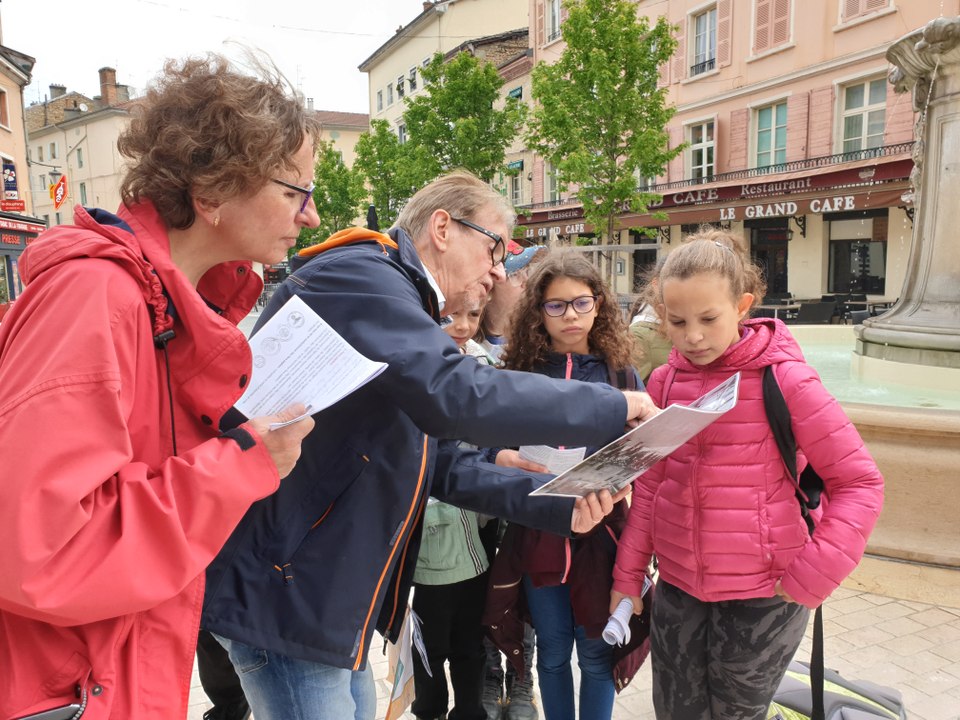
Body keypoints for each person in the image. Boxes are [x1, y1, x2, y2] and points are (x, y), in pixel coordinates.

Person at [201, 170, 659, 720]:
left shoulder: (398, 300)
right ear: (442, 227)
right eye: (493, 247)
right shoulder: (362, 277)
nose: (497, 270)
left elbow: (437, 462)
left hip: (322, 600)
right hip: (285, 598)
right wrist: (615, 405)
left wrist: (558, 501)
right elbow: (459, 395)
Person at [0, 54, 318, 720]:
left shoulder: (161, 307)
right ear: (210, 194)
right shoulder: (97, 298)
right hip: (68, 693)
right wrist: (239, 467)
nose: (311, 217)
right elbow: (36, 551)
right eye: (296, 191)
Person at [611, 230, 884, 719]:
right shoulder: (664, 381)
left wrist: (812, 577)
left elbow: (860, 483)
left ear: (742, 306)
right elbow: (650, 488)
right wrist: (628, 576)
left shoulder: (787, 379)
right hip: (678, 590)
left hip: (765, 594)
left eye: (709, 319)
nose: (692, 335)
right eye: (677, 321)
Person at [485, 251, 650, 720]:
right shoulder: (520, 372)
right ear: (538, 311)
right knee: (554, 652)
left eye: (580, 302)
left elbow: (642, 450)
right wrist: (503, 456)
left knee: (596, 654)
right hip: (539, 529)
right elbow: (488, 445)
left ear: (598, 304)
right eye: (555, 306)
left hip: (603, 533)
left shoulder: (621, 374)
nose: (570, 315)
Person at [411, 303, 495, 720]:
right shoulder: (406, 371)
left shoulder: (482, 363)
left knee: (470, 645)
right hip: (425, 552)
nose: (462, 327)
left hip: (476, 541)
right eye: (448, 316)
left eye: (474, 314)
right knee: (428, 650)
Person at [476, 239, 545, 720]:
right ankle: (488, 672)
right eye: (518, 274)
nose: (524, 284)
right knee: (481, 586)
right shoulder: (463, 341)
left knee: (525, 587)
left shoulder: (535, 346)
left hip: (525, 492)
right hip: (475, 497)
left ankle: (523, 677)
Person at [479, 241, 546, 364]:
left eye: (529, 273)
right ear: (489, 285)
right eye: (516, 275)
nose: (527, 282)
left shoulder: (540, 339)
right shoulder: (466, 342)